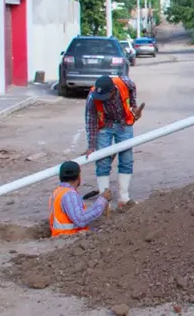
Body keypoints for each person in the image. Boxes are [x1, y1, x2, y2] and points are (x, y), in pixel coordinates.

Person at [84, 74, 141, 208]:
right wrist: (91, 145)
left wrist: (133, 105)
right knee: (103, 161)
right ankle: (104, 203)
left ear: (112, 91)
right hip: (105, 126)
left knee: (126, 159)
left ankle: (124, 198)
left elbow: (133, 89)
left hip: (124, 123)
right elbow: (91, 121)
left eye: (105, 97)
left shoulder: (124, 83)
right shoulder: (92, 97)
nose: (102, 100)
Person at [49, 161, 110, 237]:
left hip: (61, 235)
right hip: (69, 237)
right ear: (78, 177)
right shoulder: (69, 195)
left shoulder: (58, 192)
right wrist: (102, 200)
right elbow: (80, 220)